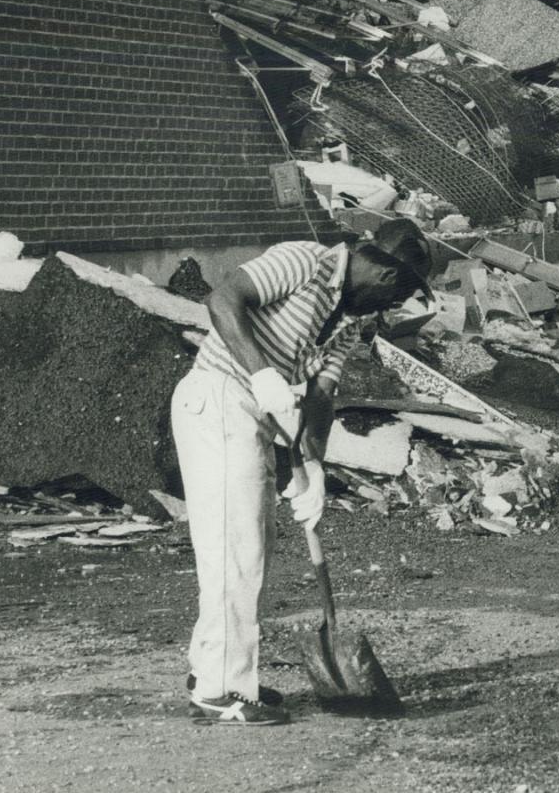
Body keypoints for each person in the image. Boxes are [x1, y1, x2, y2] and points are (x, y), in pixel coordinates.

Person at [172, 220, 432, 725]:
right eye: (397, 288)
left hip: (253, 416)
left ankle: (215, 666)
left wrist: (312, 466)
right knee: (236, 548)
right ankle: (218, 690)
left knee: (251, 547)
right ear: (380, 269)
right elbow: (224, 300)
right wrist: (264, 373)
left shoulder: (350, 323)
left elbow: (321, 396)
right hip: (218, 398)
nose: (391, 302)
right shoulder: (304, 260)